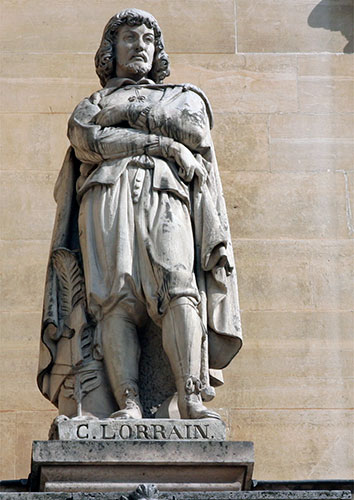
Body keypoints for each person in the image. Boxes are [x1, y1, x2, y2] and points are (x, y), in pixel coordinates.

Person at [37, 9, 242, 420]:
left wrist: (124, 116)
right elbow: (88, 139)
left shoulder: (182, 94)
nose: (140, 47)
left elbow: (194, 130)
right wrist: (162, 145)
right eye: (129, 38)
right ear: (109, 51)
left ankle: (189, 397)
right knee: (115, 300)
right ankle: (127, 403)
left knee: (180, 287)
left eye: (148, 40)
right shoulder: (92, 103)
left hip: (165, 194)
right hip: (106, 195)